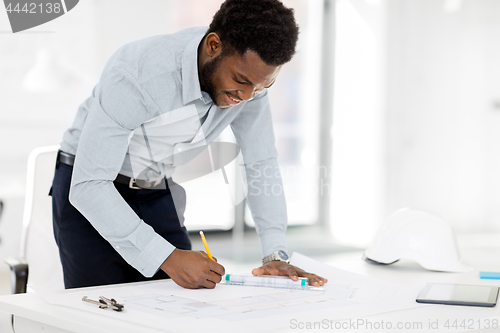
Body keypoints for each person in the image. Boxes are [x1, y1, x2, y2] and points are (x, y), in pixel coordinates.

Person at [51, 0, 328, 289]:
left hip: (155, 187)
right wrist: (168, 257)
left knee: (190, 299)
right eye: (240, 80)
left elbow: (261, 162)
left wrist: (274, 254)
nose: (247, 97)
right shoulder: (137, 72)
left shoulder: (251, 87)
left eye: (261, 87)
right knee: (100, 313)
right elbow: (89, 184)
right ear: (213, 46)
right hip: (88, 187)